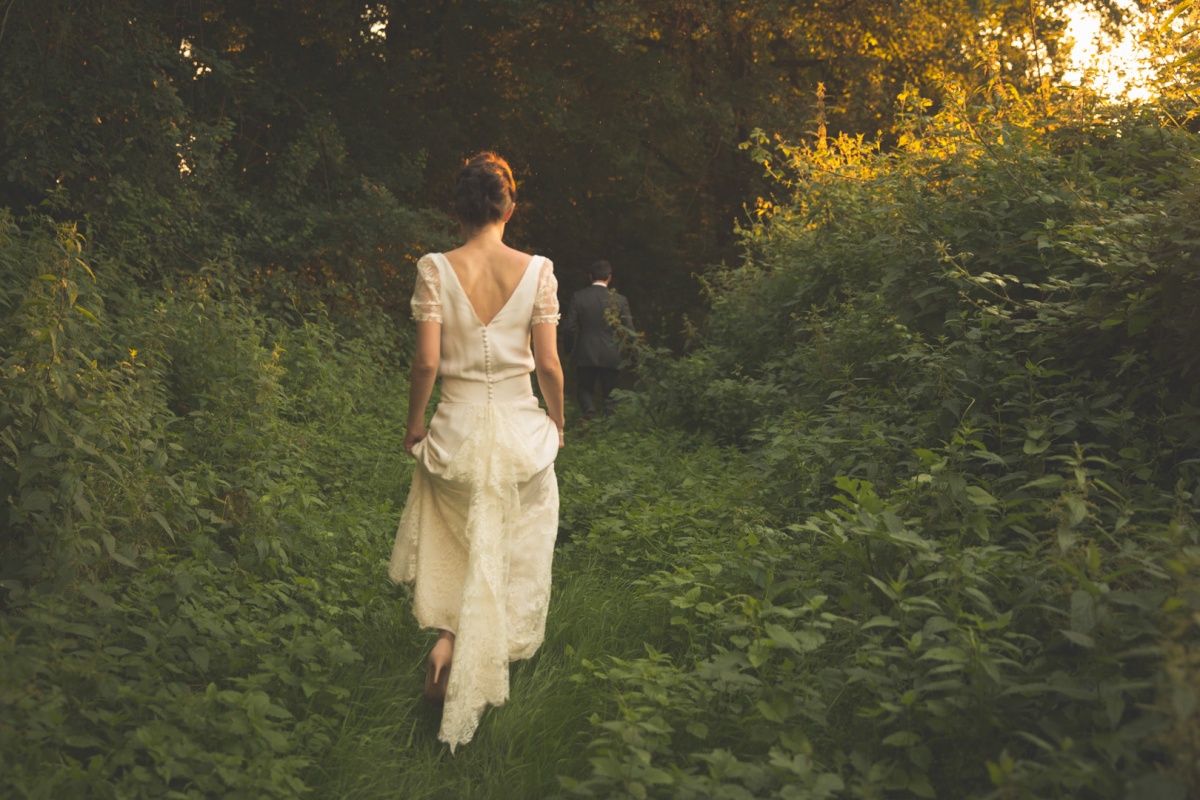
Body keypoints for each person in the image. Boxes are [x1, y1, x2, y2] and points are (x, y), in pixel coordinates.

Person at [388, 152, 565, 753]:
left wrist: (415, 427)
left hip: (457, 432)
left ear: (455, 210)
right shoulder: (538, 270)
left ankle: (447, 641)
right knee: (509, 544)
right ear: (509, 208)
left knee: (463, 539)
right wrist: (558, 423)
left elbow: (428, 362)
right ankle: (475, 659)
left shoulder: (435, 268)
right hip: (519, 430)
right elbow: (547, 363)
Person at [561, 260, 635, 419]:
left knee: (583, 390)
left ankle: (589, 410)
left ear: (590, 276)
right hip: (612, 354)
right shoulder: (620, 300)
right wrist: (631, 356)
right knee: (611, 395)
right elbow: (630, 331)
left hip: (585, 352)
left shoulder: (579, 297)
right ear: (609, 277)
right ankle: (608, 429)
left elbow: (569, 327)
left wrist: (568, 349)